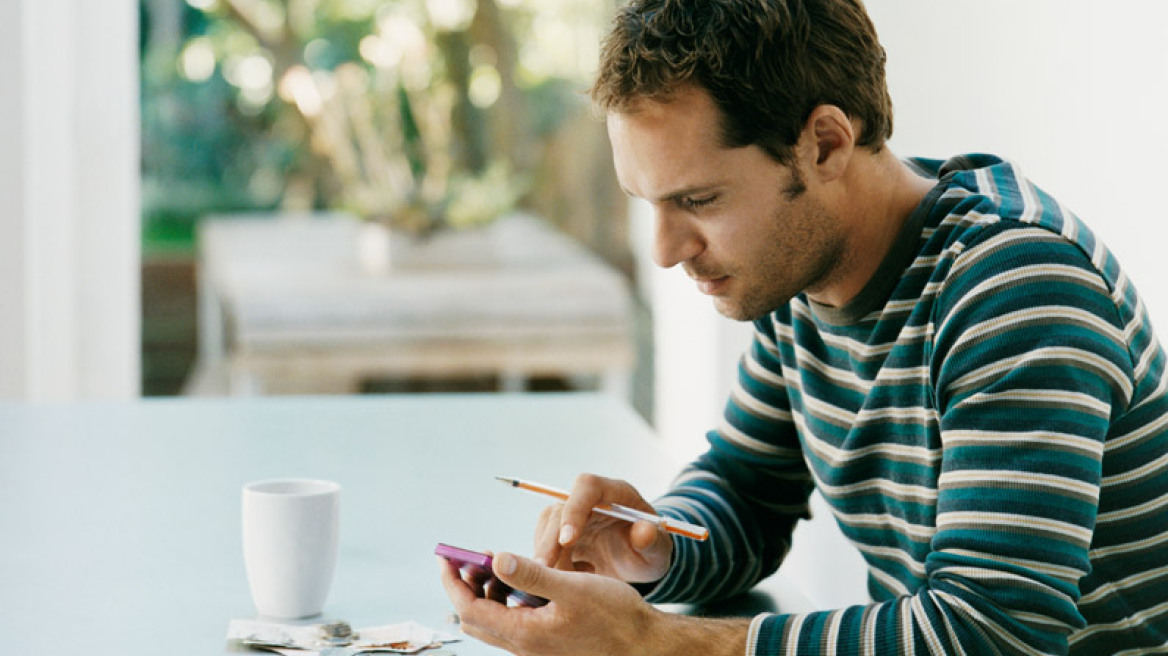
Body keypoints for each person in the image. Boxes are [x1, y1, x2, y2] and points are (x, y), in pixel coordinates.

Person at [438, 0, 1168, 653]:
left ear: (823, 144)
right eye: (647, 202)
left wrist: (653, 641)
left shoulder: (1014, 289)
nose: (665, 251)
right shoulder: (802, 274)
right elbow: (748, 485)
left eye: (698, 199)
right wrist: (654, 542)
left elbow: (996, 630)